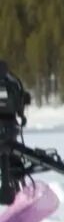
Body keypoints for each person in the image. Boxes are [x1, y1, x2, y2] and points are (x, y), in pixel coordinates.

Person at [0, 59, 29, 207]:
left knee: (12, 162)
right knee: (13, 162)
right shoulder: (11, 82)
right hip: (10, 131)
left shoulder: (11, 82)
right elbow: (21, 102)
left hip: (9, 131)